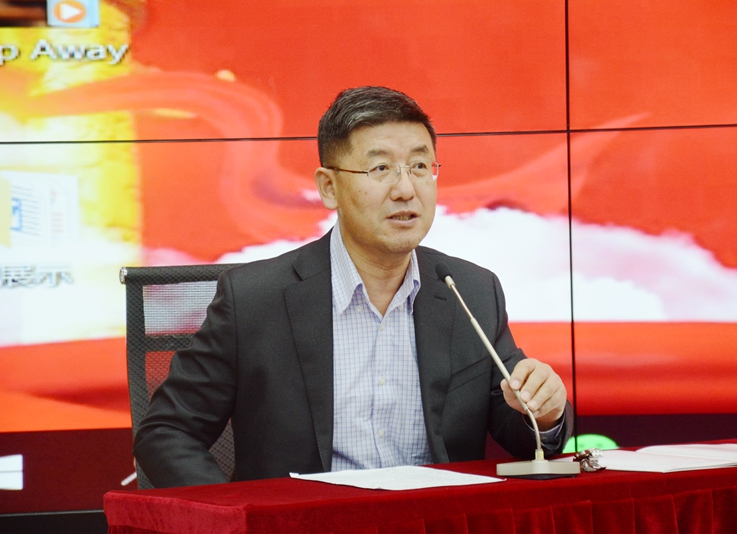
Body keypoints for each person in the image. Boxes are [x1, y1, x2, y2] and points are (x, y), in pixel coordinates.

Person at [133, 86, 573, 487]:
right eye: (380, 168)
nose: (406, 189)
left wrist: (546, 413)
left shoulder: (469, 291)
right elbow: (167, 432)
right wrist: (237, 518)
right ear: (329, 187)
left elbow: (522, 434)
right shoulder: (254, 299)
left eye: (420, 166)